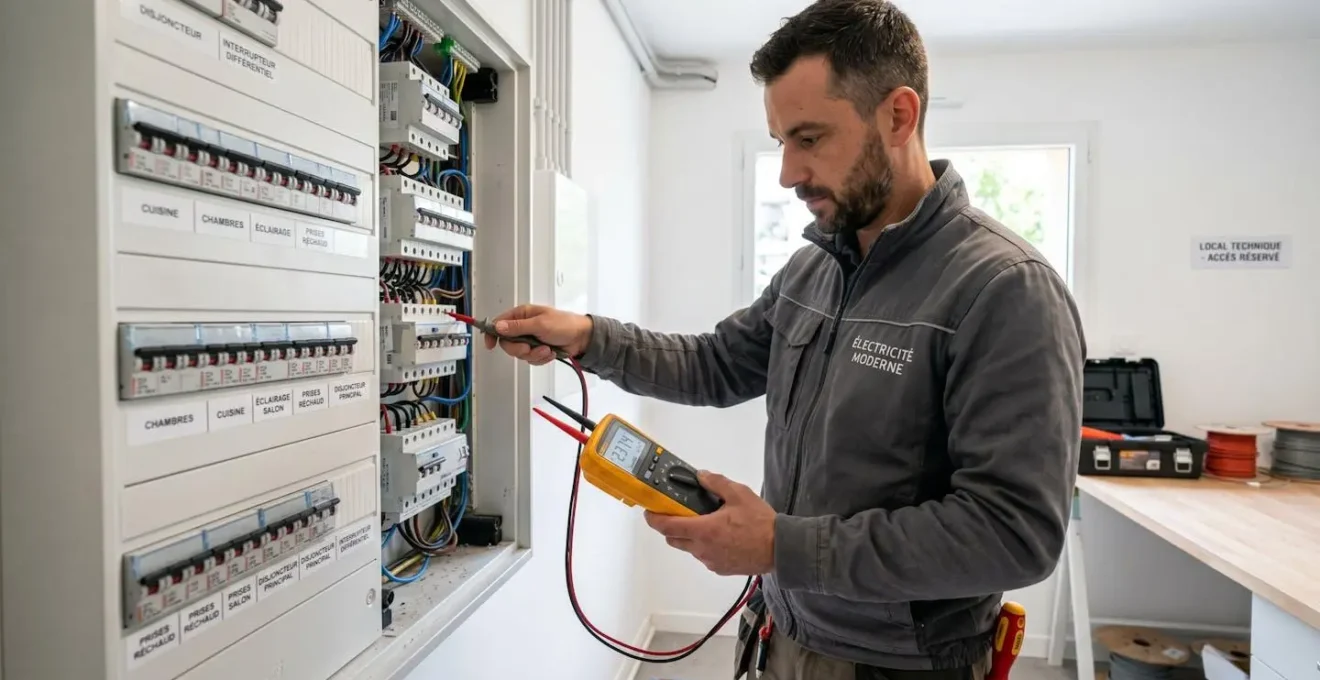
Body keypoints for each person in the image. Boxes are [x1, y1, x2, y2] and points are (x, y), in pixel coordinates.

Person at [482, 0, 1086, 677]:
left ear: (899, 115)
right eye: (780, 142)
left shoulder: (1003, 289)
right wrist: (588, 337)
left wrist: (782, 547)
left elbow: (1013, 534)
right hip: (778, 632)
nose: (788, 174)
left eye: (810, 138)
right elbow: (715, 364)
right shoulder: (815, 268)